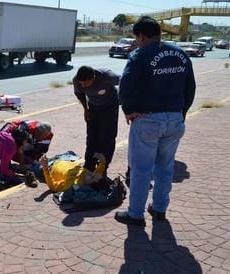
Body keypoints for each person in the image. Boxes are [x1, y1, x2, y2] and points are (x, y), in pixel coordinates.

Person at [114, 16, 196, 226]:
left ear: (141, 36)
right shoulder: (181, 53)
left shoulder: (139, 55)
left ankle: (135, 214)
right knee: (165, 168)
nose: (137, 42)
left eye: (137, 38)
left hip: (148, 120)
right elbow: (190, 88)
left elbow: (125, 86)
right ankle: (159, 209)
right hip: (175, 119)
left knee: (141, 170)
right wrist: (180, 112)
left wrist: (129, 110)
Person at [73, 65, 120, 175]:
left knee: (107, 137)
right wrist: (86, 110)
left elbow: (123, 81)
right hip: (93, 107)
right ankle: (89, 165)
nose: (83, 85)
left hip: (110, 107)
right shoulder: (77, 80)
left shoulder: (107, 76)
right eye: (81, 83)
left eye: (86, 83)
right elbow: (80, 94)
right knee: (92, 136)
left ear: (93, 77)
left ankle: (103, 166)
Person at [39, 152, 106, 193]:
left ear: (87, 186)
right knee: (70, 153)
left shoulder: (72, 185)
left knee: (34, 166)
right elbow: (98, 172)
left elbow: (53, 186)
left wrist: (45, 168)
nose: (91, 173)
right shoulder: (93, 178)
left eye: (92, 177)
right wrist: (102, 162)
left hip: (51, 165)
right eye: (94, 174)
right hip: (66, 159)